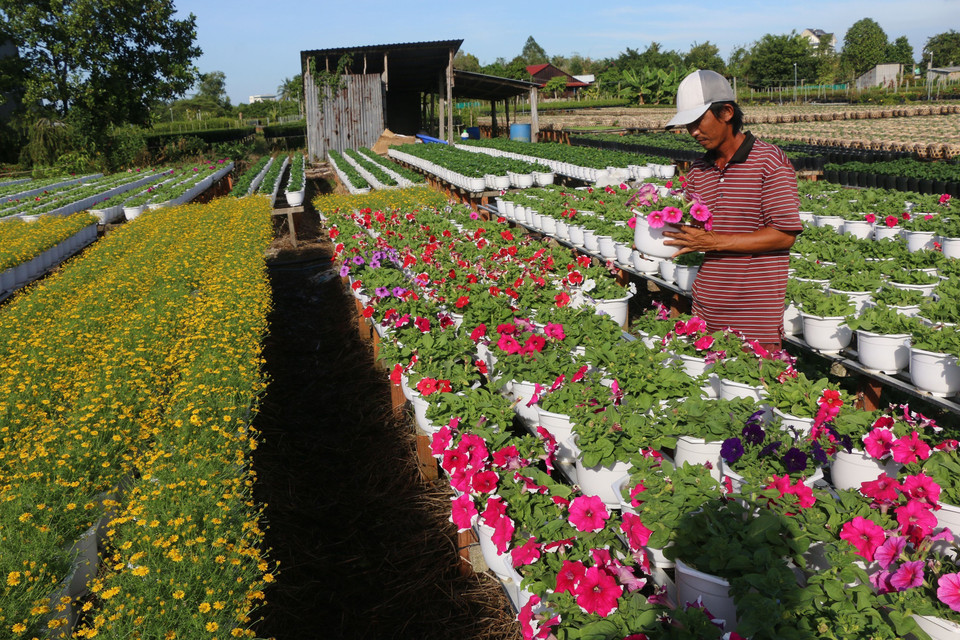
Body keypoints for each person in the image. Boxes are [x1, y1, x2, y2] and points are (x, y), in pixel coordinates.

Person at [662, 69, 802, 352]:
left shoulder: (769, 162)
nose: (693, 132)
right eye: (687, 125)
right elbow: (695, 232)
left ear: (726, 112)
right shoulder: (698, 170)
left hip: (754, 315)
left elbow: (784, 235)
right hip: (705, 307)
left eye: (698, 122)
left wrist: (713, 242)